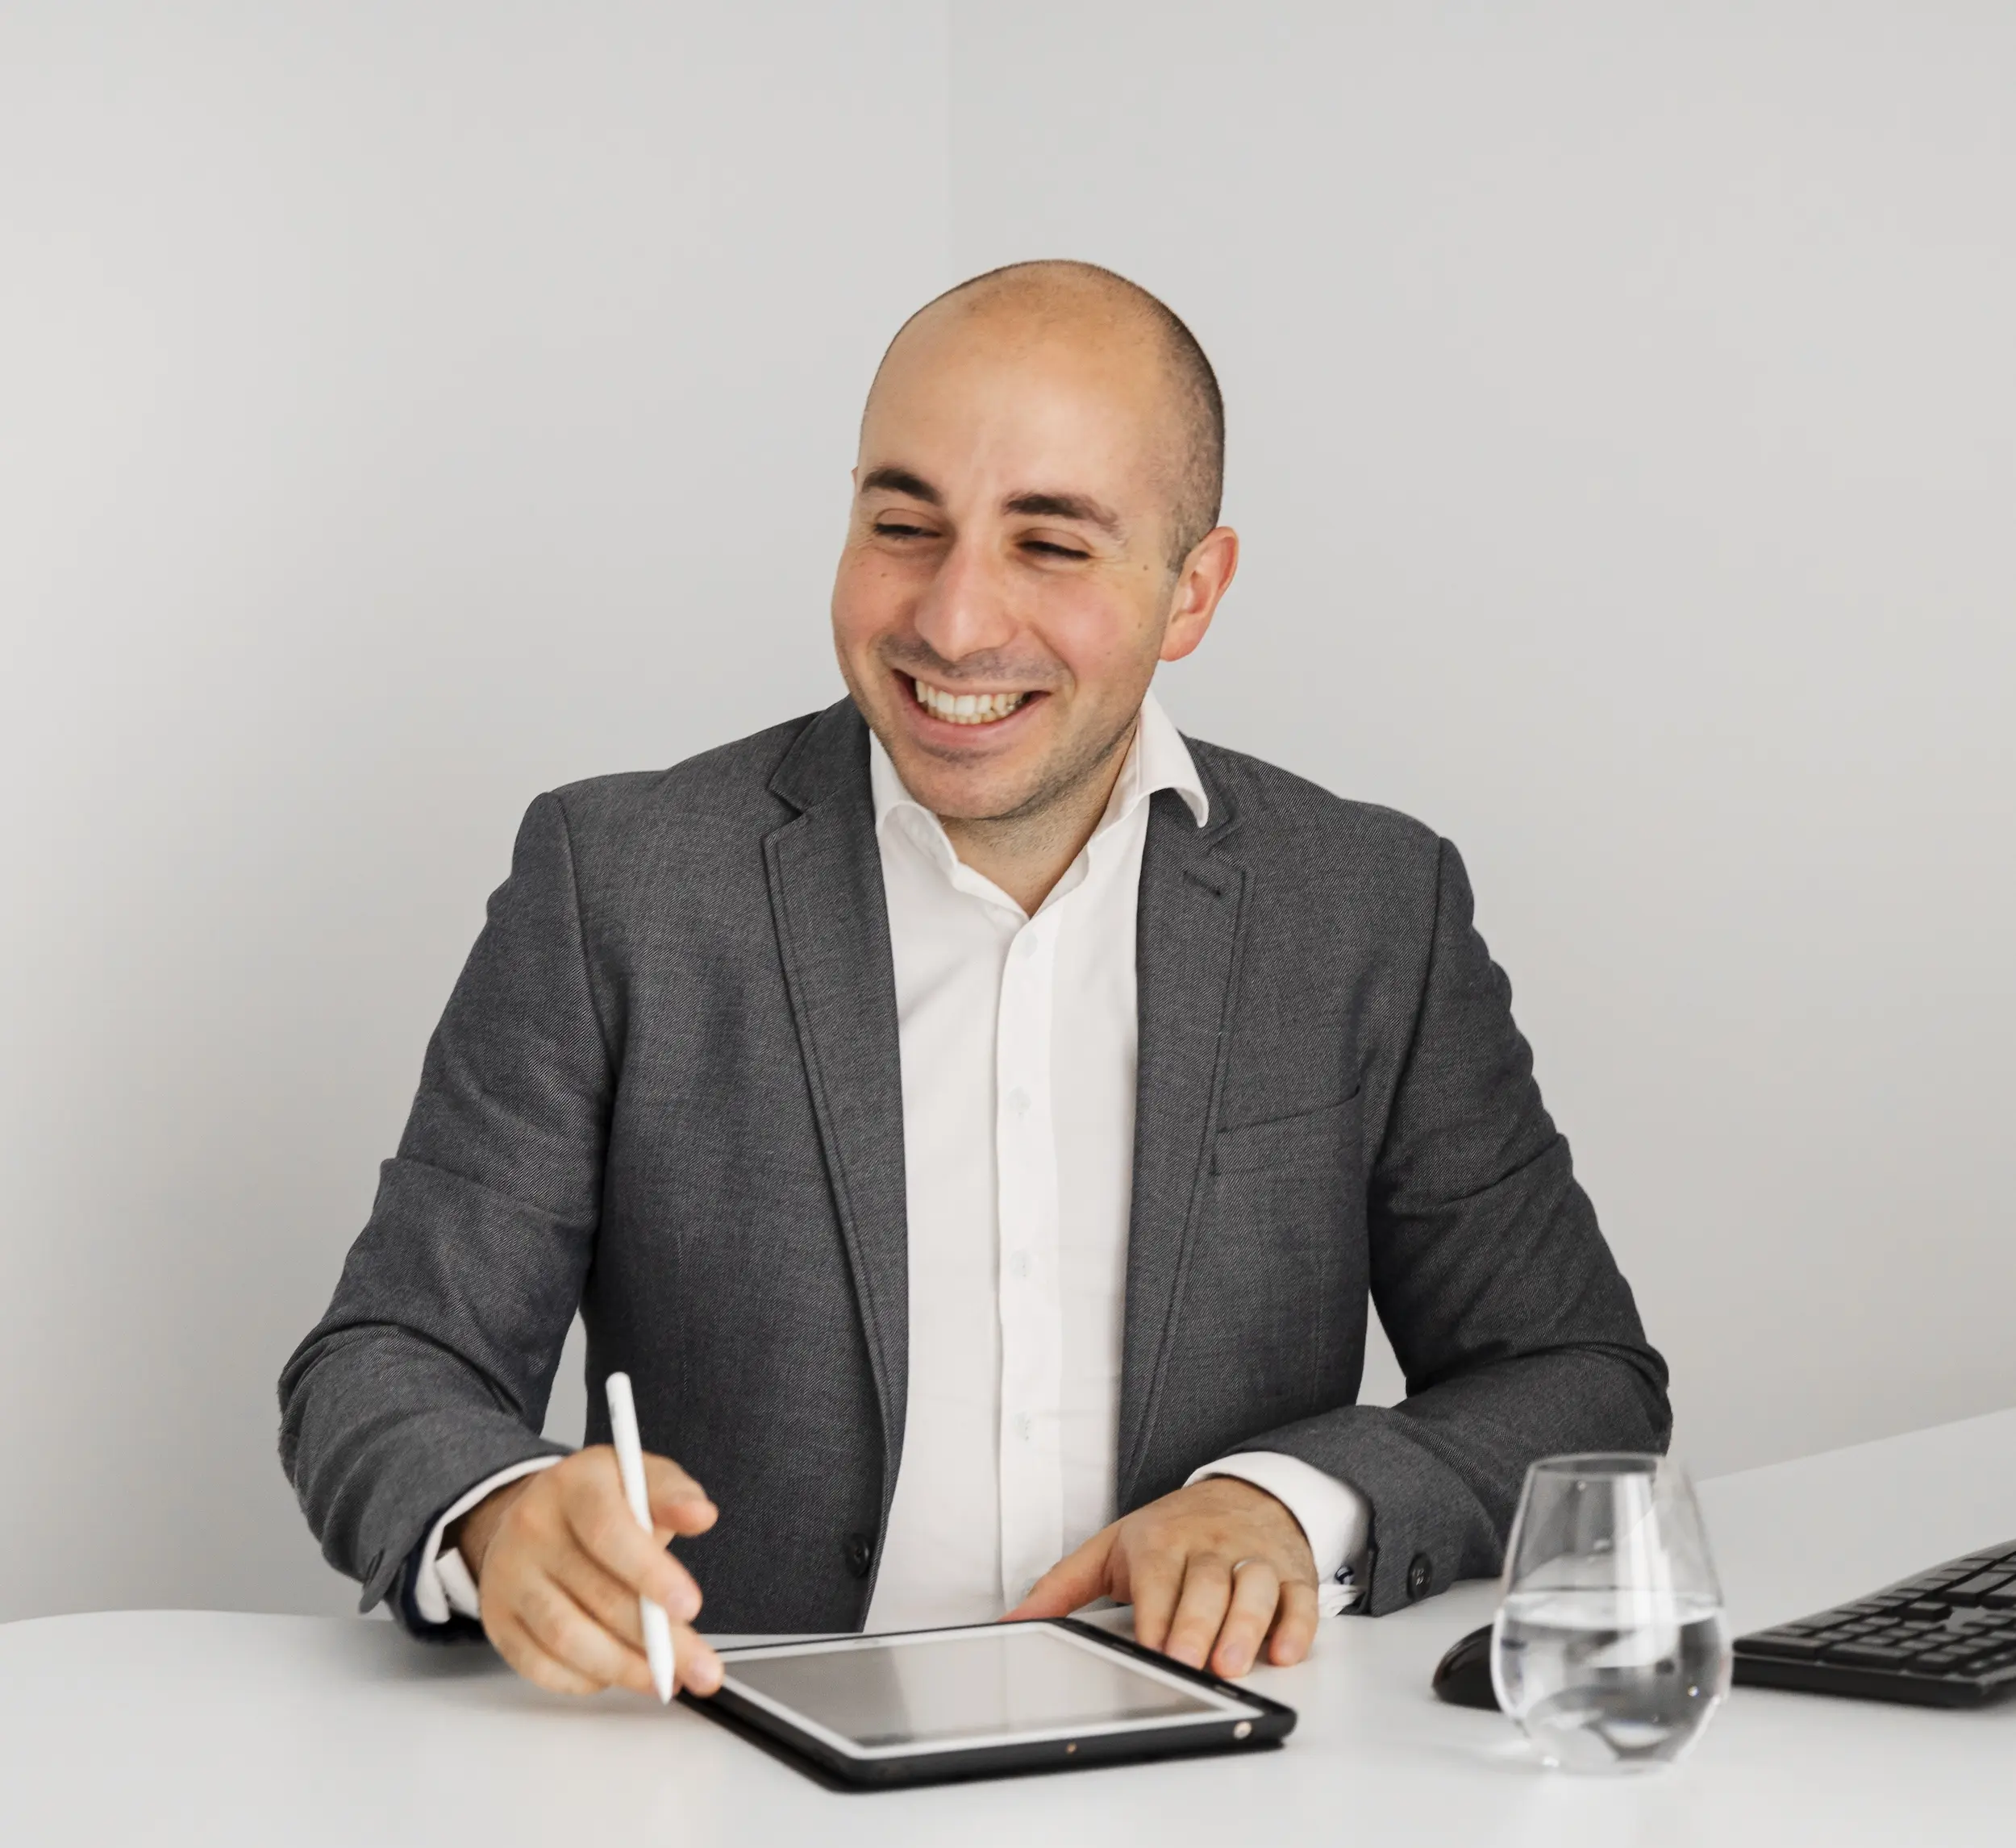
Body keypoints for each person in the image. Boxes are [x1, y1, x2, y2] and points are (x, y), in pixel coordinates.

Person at [279, 260, 1668, 1702]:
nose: (951, 622)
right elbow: (384, 1359)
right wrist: (501, 1509)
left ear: (1193, 590)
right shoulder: (616, 881)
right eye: (902, 525)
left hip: (1221, 1800)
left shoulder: (1368, 907)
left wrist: (1288, 1500)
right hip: (745, 1784)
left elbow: (1580, 1384)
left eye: (1051, 546)